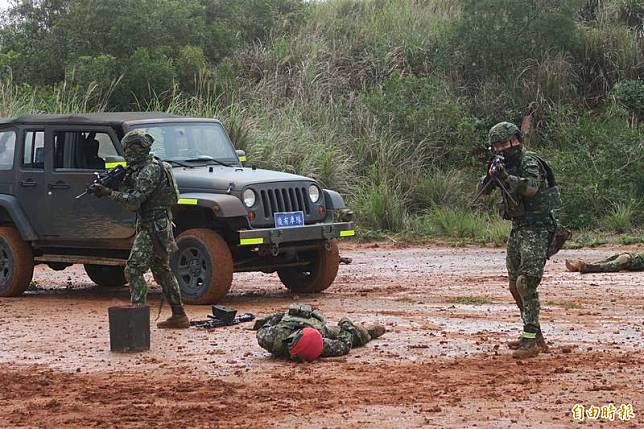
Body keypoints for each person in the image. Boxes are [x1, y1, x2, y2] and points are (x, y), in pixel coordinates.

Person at [478, 122, 562, 359]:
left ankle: (530, 340)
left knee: (526, 282)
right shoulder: (504, 163)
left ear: (516, 141)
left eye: (504, 144)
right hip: (519, 229)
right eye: (496, 146)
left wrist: (507, 177)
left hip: (538, 228)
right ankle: (535, 336)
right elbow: (482, 192)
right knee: (515, 285)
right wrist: (491, 176)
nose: (500, 149)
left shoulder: (528, 161)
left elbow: (532, 188)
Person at [93, 130, 190, 329]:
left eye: (128, 149)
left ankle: (139, 320)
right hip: (158, 224)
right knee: (162, 270)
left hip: (153, 226)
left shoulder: (150, 170)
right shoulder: (152, 166)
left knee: (134, 269)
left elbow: (134, 202)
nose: (126, 153)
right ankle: (179, 315)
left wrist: (110, 193)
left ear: (136, 149)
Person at [253, 304, 385, 361]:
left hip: (312, 325)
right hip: (321, 330)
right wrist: (347, 325)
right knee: (357, 335)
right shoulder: (321, 346)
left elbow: (265, 326)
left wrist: (283, 316)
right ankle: (367, 332)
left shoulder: (268, 338)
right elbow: (345, 344)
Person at [566, 252, 644, 273]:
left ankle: (576, 266)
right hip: (628, 259)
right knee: (607, 265)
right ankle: (586, 267)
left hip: (627, 257)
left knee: (604, 262)